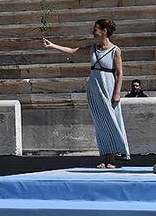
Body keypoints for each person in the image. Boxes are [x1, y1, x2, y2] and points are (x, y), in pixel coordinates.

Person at [43, 18, 130, 168]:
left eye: (96, 29)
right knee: (100, 124)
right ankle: (103, 157)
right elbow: (72, 51)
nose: (93, 31)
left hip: (108, 86)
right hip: (94, 87)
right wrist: (52, 45)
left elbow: (120, 73)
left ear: (104, 31)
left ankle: (114, 156)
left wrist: (117, 92)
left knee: (111, 120)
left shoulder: (115, 50)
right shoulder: (92, 49)